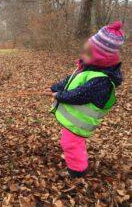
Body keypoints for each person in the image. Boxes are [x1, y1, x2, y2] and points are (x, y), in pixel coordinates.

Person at [50, 21, 124, 178]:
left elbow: (79, 95)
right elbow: (70, 79)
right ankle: (78, 161)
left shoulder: (101, 80)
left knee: (70, 144)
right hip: (73, 122)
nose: (85, 51)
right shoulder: (89, 67)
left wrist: (59, 96)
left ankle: (77, 171)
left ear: (99, 56)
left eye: (89, 50)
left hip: (80, 123)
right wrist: (54, 87)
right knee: (73, 143)